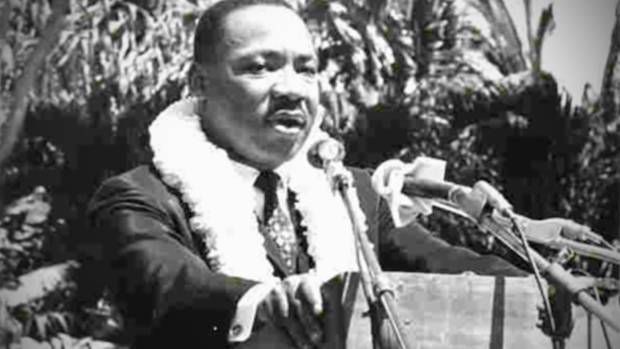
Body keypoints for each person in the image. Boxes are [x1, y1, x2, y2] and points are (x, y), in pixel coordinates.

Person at [82, 0, 527, 348]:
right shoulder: (135, 198)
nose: (292, 88)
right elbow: (168, 288)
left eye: (306, 68)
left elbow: (445, 265)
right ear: (200, 84)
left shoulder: (353, 196)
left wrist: (545, 286)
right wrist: (263, 303)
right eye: (260, 67)